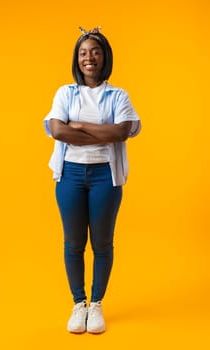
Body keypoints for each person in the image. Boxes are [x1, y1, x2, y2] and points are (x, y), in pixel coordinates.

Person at [44, 26, 141, 334]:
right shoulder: (65, 92)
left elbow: (121, 132)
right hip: (70, 174)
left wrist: (80, 126)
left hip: (105, 177)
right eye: (83, 52)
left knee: (102, 243)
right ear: (77, 58)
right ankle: (79, 304)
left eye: (95, 52)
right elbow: (58, 131)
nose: (89, 57)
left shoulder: (119, 95)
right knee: (73, 243)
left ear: (104, 57)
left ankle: (96, 304)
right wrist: (98, 134)